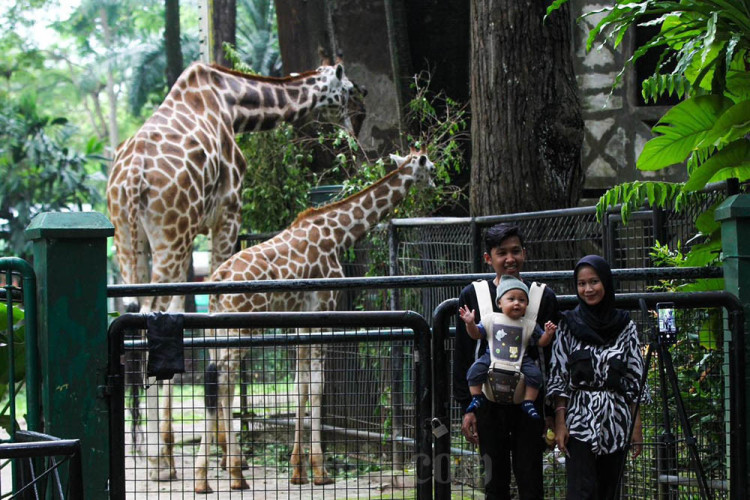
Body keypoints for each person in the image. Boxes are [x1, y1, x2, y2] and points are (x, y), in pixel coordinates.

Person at [454, 223, 559, 500]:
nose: (510, 259)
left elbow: (551, 357)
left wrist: (550, 409)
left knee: (531, 477)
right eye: (502, 253)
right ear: (488, 258)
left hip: (529, 405)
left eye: (515, 251)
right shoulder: (473, 295)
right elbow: (464, 354)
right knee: (494, 481)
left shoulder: (542, 297)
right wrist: (467, 408)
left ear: (524, 253)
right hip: (487, 404)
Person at [548, 255, 646, 499]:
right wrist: (560, 423)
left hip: (616, 419)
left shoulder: (625, 325)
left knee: (610, 490)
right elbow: (559, 376)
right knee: (581, 490)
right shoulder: (568, 324)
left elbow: (635, 376)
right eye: (581, 284)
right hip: (579, 419)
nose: (588, 289)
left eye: (594, 282)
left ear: (606, 283)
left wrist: (636, 425)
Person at [459, 275, 557, 420]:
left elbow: (541, 342)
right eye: (511, 299)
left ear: (527, 305)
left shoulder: (529, 324)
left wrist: (548, 334)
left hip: (521, 359)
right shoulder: (490, 319)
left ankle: (528, 401)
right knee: (474, 371)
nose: (517, 303)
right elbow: (476, 334)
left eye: (522, 300)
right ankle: (477, 396)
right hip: (492, 356)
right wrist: (470, 324)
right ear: (499, 303)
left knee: (535, 375)